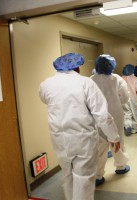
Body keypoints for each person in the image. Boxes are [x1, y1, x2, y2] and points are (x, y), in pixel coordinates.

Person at [39, 53, 121, 200]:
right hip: (83, 139)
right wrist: (113, 137)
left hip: (59, 139)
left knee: (68, 175)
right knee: (84, 179)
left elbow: (46, 100)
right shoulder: (85, 83)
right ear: (77, 67)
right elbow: (101, 115)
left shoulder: (46, 84)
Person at [91, 54, 131, 186]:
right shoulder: (117, 79)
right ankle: (120, 166)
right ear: (112, 65)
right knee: (117, 139)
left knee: (99, 144)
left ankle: (98, 175)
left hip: (96, 115)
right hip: (115, 113)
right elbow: (125, 98)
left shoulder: (90, 80)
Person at [121, 64, 137, 135]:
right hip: (134, 98)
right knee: (135, 113)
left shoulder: (120, 79)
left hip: (123, 98)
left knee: (126, 113)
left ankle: (127, 126)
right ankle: (135, 129)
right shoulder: (136, 79)